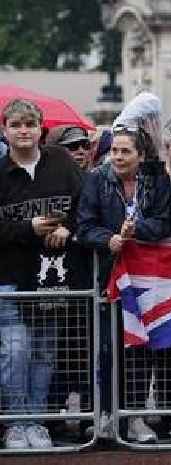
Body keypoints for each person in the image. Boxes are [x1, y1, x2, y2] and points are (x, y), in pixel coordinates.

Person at [77, 124, 171, 444]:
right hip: (106, 277)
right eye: (114, 150)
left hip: (146, 279)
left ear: (141, 155)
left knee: (138, 349)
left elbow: (164, 222)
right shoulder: (95, 179)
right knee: (105, 348)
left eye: (125, 151)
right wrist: (111, 239)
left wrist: (137, 230)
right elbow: (85, 226)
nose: (117, 156)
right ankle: (105, 415)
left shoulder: (157, 180)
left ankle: (133, 418)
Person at [0, 99, 83, 449]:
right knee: (15, 351)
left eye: (30, 124)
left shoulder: (62, 162)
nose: (23, 131)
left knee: (44, 353)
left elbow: (86, 204)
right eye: (16, 124)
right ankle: (17, 423)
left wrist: (69, 228)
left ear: (41, 129)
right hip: (10, 276)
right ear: (5, 130)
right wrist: (27, 228)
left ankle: (36, 422)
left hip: (52, 278)